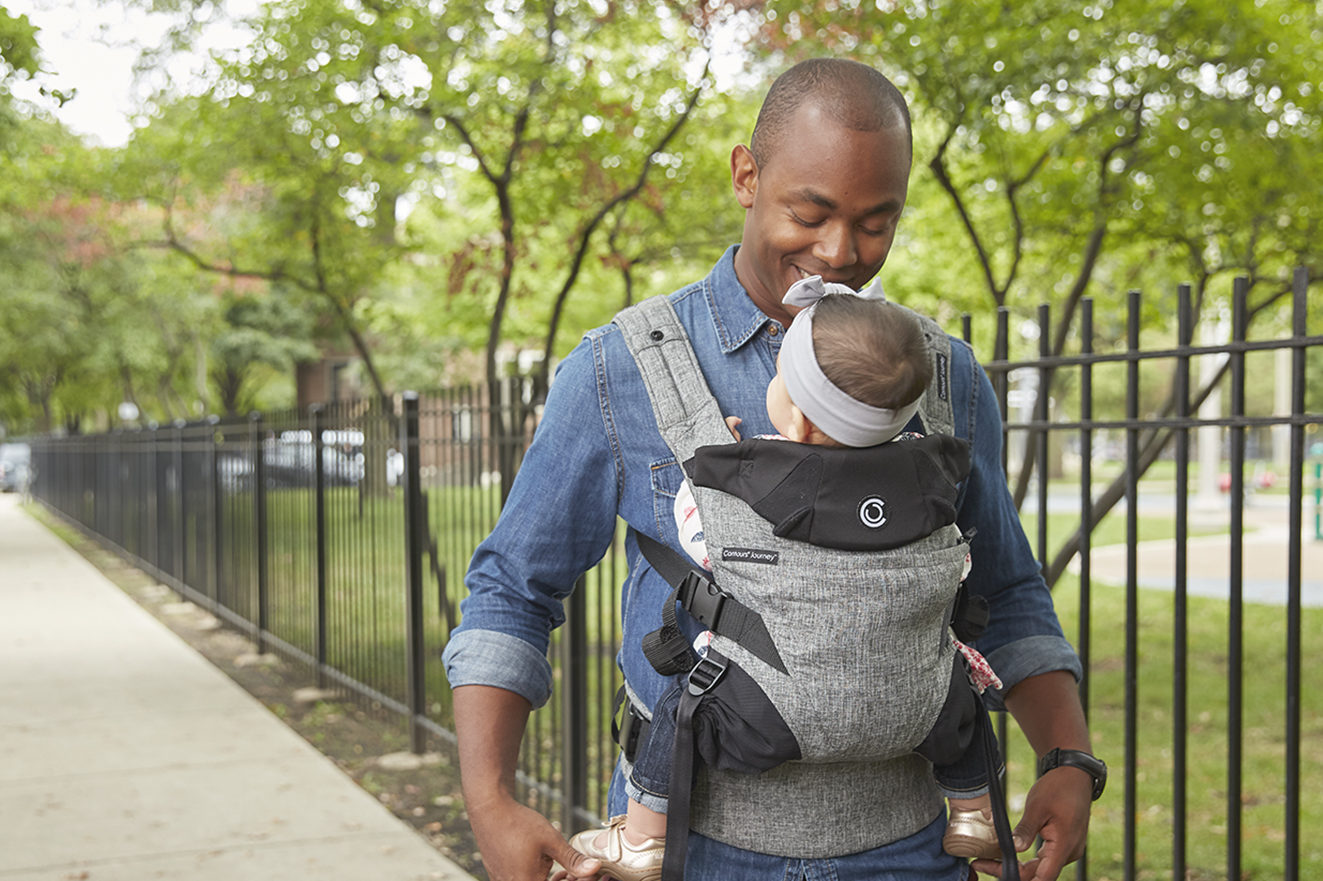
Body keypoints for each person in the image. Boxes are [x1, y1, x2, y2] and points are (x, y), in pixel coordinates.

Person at [443, 57, 1098, 881]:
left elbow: (1003, 589)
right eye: (810, 212)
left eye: (875, 222)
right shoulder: (623, 371)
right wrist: (490, 801)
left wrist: (1068, 755)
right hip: (687, 844)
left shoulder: (943, 377)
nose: (838, 251)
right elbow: (513, 588)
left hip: (908, 851)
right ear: (746, 176)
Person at [565, 286, 1007, 881]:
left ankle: (644, 838)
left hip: (767, 711)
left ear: (794, 413)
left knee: (680, 708)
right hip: (914, 710)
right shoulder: (929, 477)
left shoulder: (754, 476)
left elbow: (701, 540)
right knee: (963, 702)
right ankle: (975, 809)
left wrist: (715, 468)